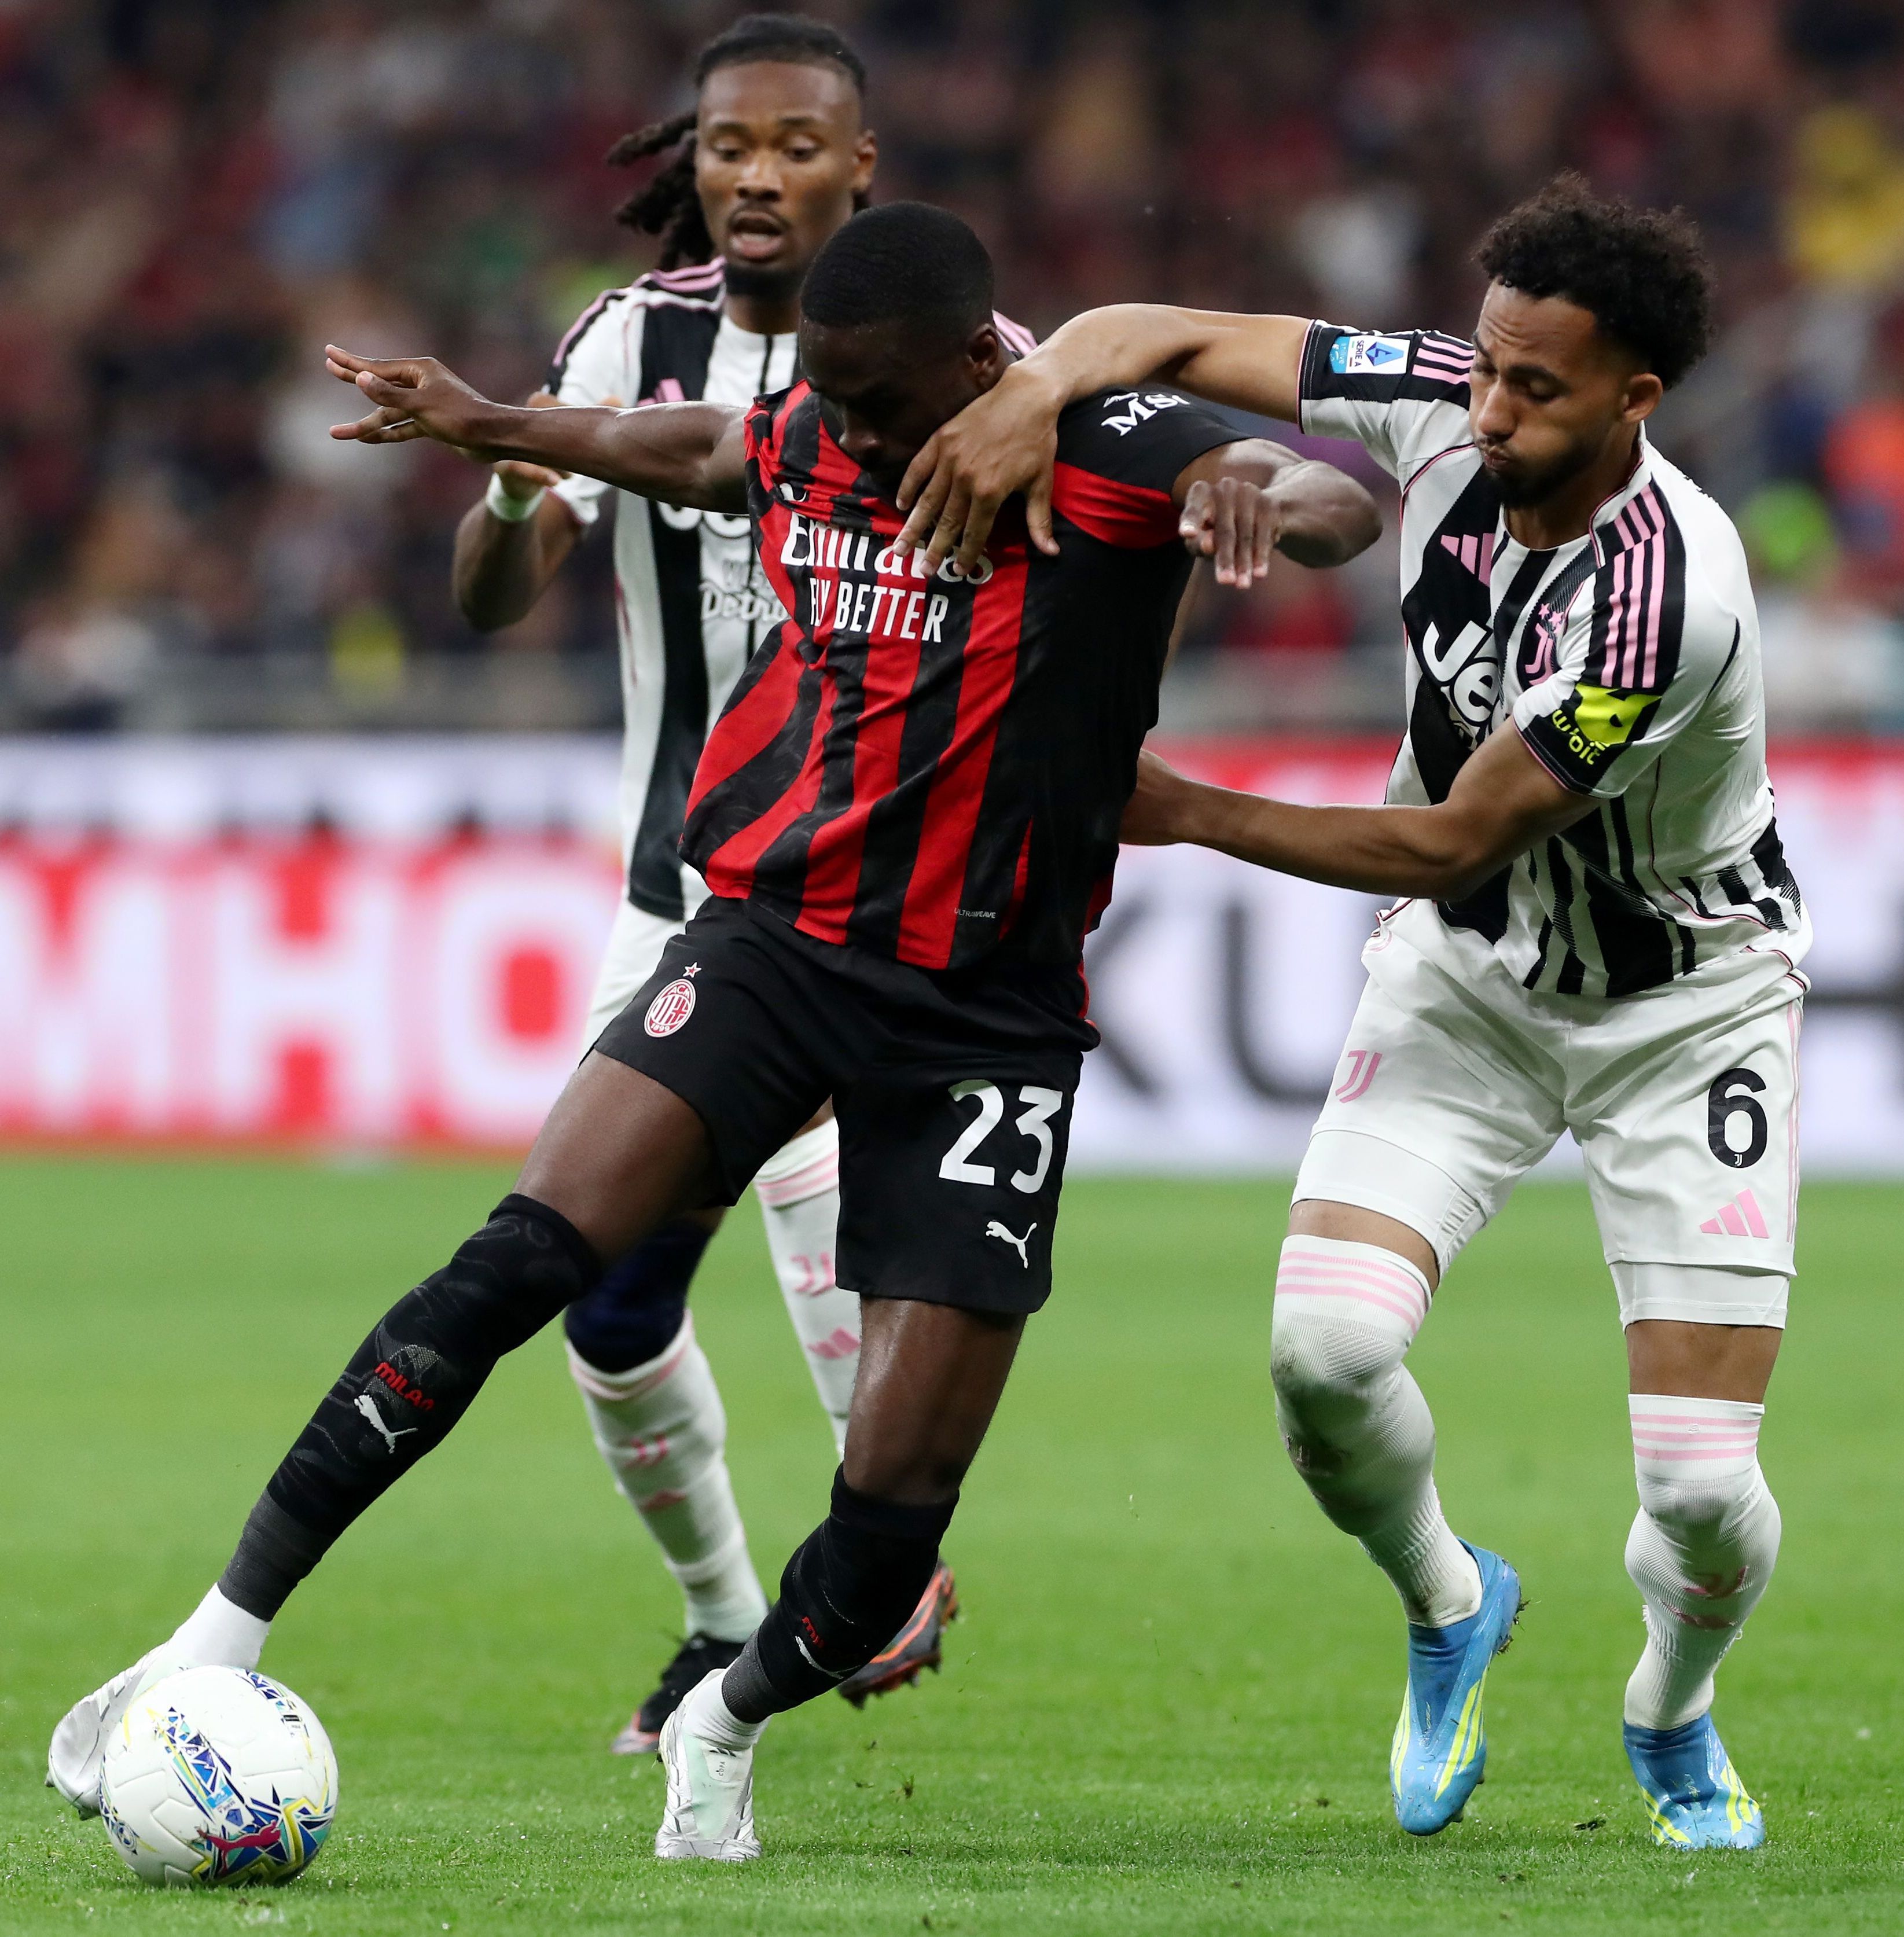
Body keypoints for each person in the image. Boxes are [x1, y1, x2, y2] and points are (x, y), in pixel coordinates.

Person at [47, 201, 1380, 1862]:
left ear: (979, 367)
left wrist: (1255, 485)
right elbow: (693, 448)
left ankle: (726, 1714)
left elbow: (1342, 498)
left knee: (892, 1518)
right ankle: (208, 1641)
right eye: (833, 399)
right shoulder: (819, 424)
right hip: (772, 942)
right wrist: (496, 423)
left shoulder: (1108, 443)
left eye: (881, 403)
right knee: (513, 1266)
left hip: (987, 1016)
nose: (853, 433)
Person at [894, 175, 1804, 1853]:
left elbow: (1454, 835)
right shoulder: (1445, 394)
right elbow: (1158, 334)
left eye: (1536, 388)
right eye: (1488, 366)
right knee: (1322, 1356)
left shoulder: (1665, 596)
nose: (1489, 409)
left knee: (1696, 1484)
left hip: (1684, 1015)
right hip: (1468, 982)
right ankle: (1450, 1601)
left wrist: (1176, 806)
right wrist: (1038, 390)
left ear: (1636, 398)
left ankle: (1670, 1707)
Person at [455, 13, 1033, 1748]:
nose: (756, 175)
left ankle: (874, 1567)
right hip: (677, 895)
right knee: (607, 1309)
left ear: (861, 165)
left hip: (877, 895)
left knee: (819, 1216)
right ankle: (726, 1617)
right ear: (691, 163)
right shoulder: (629, 338)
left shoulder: (973, 358)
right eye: (727, 146)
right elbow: (492, 597)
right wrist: (514, 488)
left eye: (794, 144)